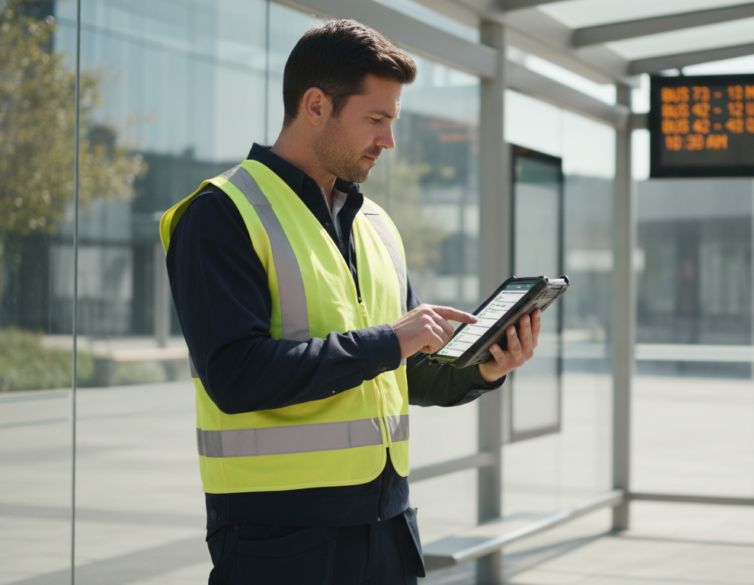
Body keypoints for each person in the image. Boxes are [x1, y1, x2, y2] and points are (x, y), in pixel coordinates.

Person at [159, 19, 541, 585]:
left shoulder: (378, 226)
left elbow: (403, 374)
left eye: (392, 121)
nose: (388, 139)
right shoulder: (220, 213)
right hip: (280, 541)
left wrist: (483, 368)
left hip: (387, 528)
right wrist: (392, 339)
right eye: (376, 119)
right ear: (316, 105)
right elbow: (235, 375)